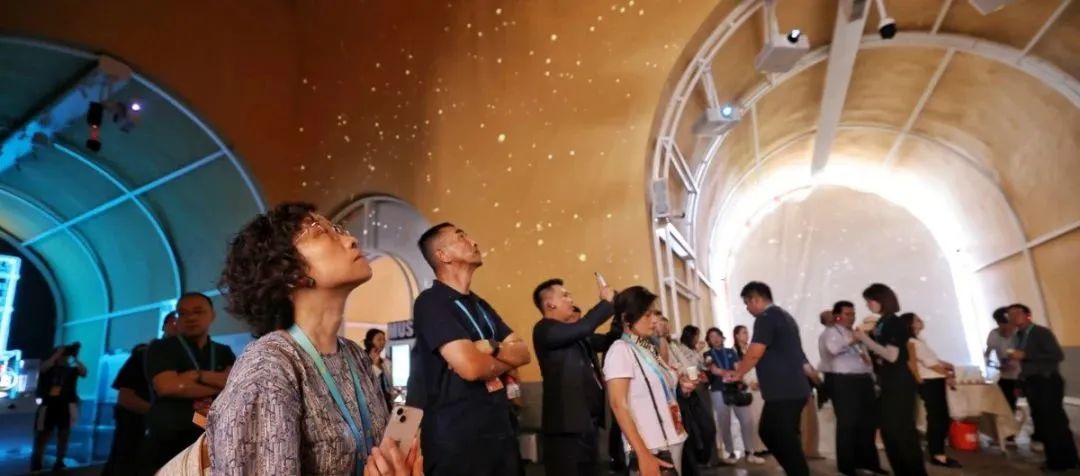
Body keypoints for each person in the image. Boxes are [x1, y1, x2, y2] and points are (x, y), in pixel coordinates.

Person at [209, 202, 414, 475]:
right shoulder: (268, 366)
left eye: (339, 230)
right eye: (321, 232)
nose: (351, 240)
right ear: (286, 271)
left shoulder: (355, 356)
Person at [410, 222, 532, 475]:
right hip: (458, 443)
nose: (473, 242)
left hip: (500, 435)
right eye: (461, 237)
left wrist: (491, 347)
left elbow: (523, 352)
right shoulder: (431, 303)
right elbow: (471, 368)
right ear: (443, 255)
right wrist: (501, 358)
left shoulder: (481, 305)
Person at [604, 286, 695, 476]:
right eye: (647, 315)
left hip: (672, 436)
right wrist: (643, 454)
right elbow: (618, 404)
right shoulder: (620, 350)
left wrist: (681, 383)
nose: (654, 320)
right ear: (626, 318)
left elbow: (662, 380)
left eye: (655, 313)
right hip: (651, 445)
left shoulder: (647, 346)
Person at [727, 282, 815, 476]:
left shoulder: (766, 318)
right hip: (791, 389)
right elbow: (796, 354)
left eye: (747, 303)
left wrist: (738, 373)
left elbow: (755, 352)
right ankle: (796, 471)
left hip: (784, 391)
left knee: (775, 434)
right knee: (779, 434)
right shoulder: (785, 317)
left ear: (755, 299)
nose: (747, 308)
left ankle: (798, 472)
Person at [142, 292, 236, 473]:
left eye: (198, 312)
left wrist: (195, 376)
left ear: (212, 315)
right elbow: (167, 387)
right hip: (168, 439)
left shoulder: (223, 351)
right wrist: (217, 382)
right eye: (183, 313)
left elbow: (234, 386)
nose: (190, 318)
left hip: (211, 439)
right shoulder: (162, 347)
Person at [531, 277, 615, 476]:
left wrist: (620, 313)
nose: (571, 299)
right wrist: (606, 303)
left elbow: (608, 341)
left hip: (587, 423)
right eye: (565, 296)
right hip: (565, 428)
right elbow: (584, 327)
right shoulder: (544, 329)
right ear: (550, 304)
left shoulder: (576, 336)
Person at [854, 283, 926, 476]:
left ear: (881, 300)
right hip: (888, 381)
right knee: (890, 431)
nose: (868, 305)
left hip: (899, 382)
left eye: (870, 301)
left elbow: (892, 355)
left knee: (901, 430)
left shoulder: (895, 323)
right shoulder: (882, 323)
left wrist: (864, 339)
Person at [102, 313, 179, 476]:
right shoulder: (144, 356)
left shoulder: (191, 363)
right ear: (164, 326)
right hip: (138, 432)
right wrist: (161, 414)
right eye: (174, 322)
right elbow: (126, 398)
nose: (178, 326)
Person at [1007, 303, 1079, 471]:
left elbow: (1057, 355)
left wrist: (1026, 355)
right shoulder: (1018, 336)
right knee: (1043, 423)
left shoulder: (1040, 332)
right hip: (1032, 382)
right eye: (1010, 314)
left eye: (1017, 313)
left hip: (1047, 381)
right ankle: (1058, 459)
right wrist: (1020, 382)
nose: (1013, 317)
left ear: (1027, 315)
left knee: (1053, 422)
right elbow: (1024, 364)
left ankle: (1063, 462)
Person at [819, 301, 883, 476]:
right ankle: (847, 466)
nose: (851, 317)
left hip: (863, 380)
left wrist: (872, 378)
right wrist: (855, 338)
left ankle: (869, 463)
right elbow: (834, 349)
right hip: (843, 381)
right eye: (847, 314)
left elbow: (864, 358)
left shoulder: (853, 333)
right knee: (848, 423)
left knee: (868, 423)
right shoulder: (830, 333)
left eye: (853, 314)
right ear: (837, 316)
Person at [903, 313, 962, 468]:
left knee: (939, 416)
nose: (921, 321)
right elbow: (928, 364)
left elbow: (932, 360)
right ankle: (937, 453)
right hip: (930, 381)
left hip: (933, 380)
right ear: (910, 324)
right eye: (917, 320)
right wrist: (947, 373)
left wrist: (947, 366)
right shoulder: (912, 342)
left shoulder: (919, 341)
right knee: (938, 417)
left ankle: (937, 450)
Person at [704, 328, 763, 465]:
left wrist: (735, 375)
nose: (715, 339)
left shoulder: (731, 352)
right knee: (724, 423)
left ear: (722, 337)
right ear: (709, 340)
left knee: (747, 420)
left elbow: (738, 367)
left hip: (736, 389)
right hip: (719, 390)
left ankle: (750, 452)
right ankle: (730, 452)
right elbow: (714, 370)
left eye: (717, 335)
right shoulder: (707, 354)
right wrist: (730, 374)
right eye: (712, 337)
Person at [30, 342, 87, 472]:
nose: (64, 357)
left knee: (64, 434)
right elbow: (43, 369)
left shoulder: (72, 369)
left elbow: (84, 372)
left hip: (66, 405)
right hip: (48, 404)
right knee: (42, 434)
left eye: (65, 355)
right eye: (63, 354)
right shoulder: (49, 366)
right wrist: (57, 354)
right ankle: (37, 462)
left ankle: (60, 461)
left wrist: (75, 358)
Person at [673, 325, 719, 469]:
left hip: (701, 386)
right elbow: (688, 368)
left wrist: (705, 367)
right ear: (690, 336)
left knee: (708, 424)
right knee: (702, 426)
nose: (698, 338)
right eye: (696, 335)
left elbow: (699, 366)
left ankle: (711, 458)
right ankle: (704, 459)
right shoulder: (681, 349)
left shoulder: (693, 350)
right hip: (693, 388)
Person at [733, 325, 767, 457]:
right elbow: (738, 369)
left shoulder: (751, 348)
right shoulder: (734, 351)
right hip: (747, 387)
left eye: (747, 332)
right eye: (743, 332)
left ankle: (764, 445)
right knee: (751, 419)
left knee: (761, 417)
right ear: (736, 335)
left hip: (759, 384)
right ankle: (753, 447)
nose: (746, 335)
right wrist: (748, 382)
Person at [985, 306, 1020, 412]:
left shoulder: (1019, 333)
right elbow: (987, 354)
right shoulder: (994, 334)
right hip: (1006, 376)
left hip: (1023, 375)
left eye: (1006, 323)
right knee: (1004, 403)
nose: (1003, 326)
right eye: (999, 323)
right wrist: (993, 364)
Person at [365, 328, 395, 409]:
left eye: (384, 339)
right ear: (370, 342)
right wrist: (375, 364)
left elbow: (390, 385)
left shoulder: (386, 362)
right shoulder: (362, 360)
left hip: (387, 403)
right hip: (371, 404)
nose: (382, 342)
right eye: (379, 339)